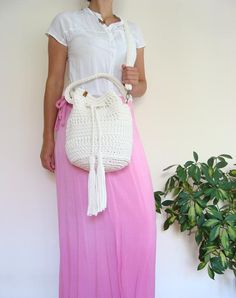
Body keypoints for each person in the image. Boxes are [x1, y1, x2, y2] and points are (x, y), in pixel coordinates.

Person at [40, 0, 157, 297]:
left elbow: (141, 85)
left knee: (140, 221)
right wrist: (48, 138)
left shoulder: (132, 30)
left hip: (119, 129)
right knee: (85, 227)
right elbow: (54, 81)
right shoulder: (66, 23)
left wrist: (135, 82)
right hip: (78, 127)